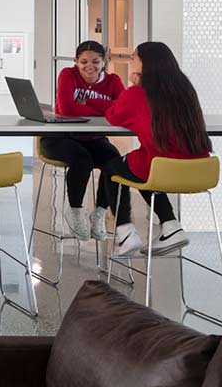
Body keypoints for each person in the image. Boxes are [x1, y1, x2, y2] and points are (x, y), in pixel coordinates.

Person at [102, 41, 212, 257]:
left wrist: (134, 87)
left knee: (112, 168)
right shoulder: (185, 89)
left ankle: (126, 233)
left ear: (145, 64)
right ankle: (171, 226)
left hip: (161, 168)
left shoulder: (138, 93)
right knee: (141, 164)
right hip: (200, 169)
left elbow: (112, 114)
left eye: (134, 57)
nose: (131, 61)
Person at [41, 41, 124, 240]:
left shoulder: (113, 81)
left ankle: (99, 213)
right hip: (59, 137)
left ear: (104, 61)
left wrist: (87, 102)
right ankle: (75, 211)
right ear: (76, 62)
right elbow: (67, 110)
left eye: (95, 61)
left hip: (93, 139)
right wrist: (106, 106)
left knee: (114, 160)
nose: (90, 66)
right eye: (84, 61)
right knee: (82, 160)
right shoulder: (67, 75)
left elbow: (122, 109)